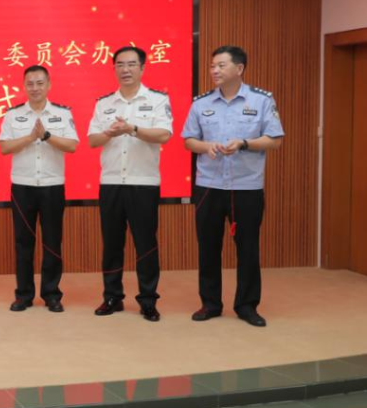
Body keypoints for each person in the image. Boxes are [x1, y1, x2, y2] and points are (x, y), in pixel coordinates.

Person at [182, 45, 284, 327]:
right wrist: (206, 146)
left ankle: (247, 306)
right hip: (209, 186)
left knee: (248, 248)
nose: (214, 70)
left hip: (246, 186)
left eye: (221, 65)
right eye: (212, 66)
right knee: (208, 247)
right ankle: (210, 303)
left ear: (239, 68)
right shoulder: (201, 103)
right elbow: (189, 140)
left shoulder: (261, 100)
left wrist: (244, 143)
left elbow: (275, 140)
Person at [88, 46, 173, 322]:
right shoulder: (104, 103)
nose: (125, 69)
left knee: (145, 244)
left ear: (142, 68)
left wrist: (133, 129)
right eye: (120, 65)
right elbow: (92, 141)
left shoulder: (157, 100)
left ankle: (148, 300)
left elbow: (164, 135)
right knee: (112, 244)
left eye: (131, 64)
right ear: (114, 68)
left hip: (143, 182)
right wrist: (110, 132)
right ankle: (112, 297)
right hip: (111, 182)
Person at [0, 65, 79, 312]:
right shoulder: (13, 115)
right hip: (23, 186)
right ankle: (23, 295)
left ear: (49, 85)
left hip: (53, 186)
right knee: (23, 243)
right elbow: (4, 147)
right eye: (30, 83)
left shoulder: (62, 113)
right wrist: (30, 137)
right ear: (24, 86)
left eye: (40, 83)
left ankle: (52, 294)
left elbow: (72, 146)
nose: (35, 88)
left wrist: (46, 136)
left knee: (52, 242)